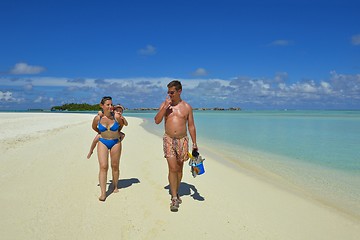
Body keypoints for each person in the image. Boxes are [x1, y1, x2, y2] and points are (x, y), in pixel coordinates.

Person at [154, 80, 198, 212]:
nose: (169, 95)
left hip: (182, 140)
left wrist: (195, 143)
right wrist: (164, 108)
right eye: (168, 92)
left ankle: (176, 190)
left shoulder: (187, 107)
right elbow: (157, 121)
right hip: (168, 139)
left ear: (179, 91)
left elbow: (191, 126)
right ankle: (174, 197)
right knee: (172, 168)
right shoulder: (165, 105)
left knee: (179, 170)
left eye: (172, 92)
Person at [91, 96, 124, 201]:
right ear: (102, 106)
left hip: (115, 142)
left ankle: (115, 186)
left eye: (111, 104)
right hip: (103, 142)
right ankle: (103, 193)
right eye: (108, 105)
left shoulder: (116, 117)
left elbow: (121, 126)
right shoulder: (98, 118)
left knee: (115, 166)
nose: (110, 107)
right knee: (103, 166)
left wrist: (116, 133)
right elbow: (94, 127)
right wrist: (101, 133)